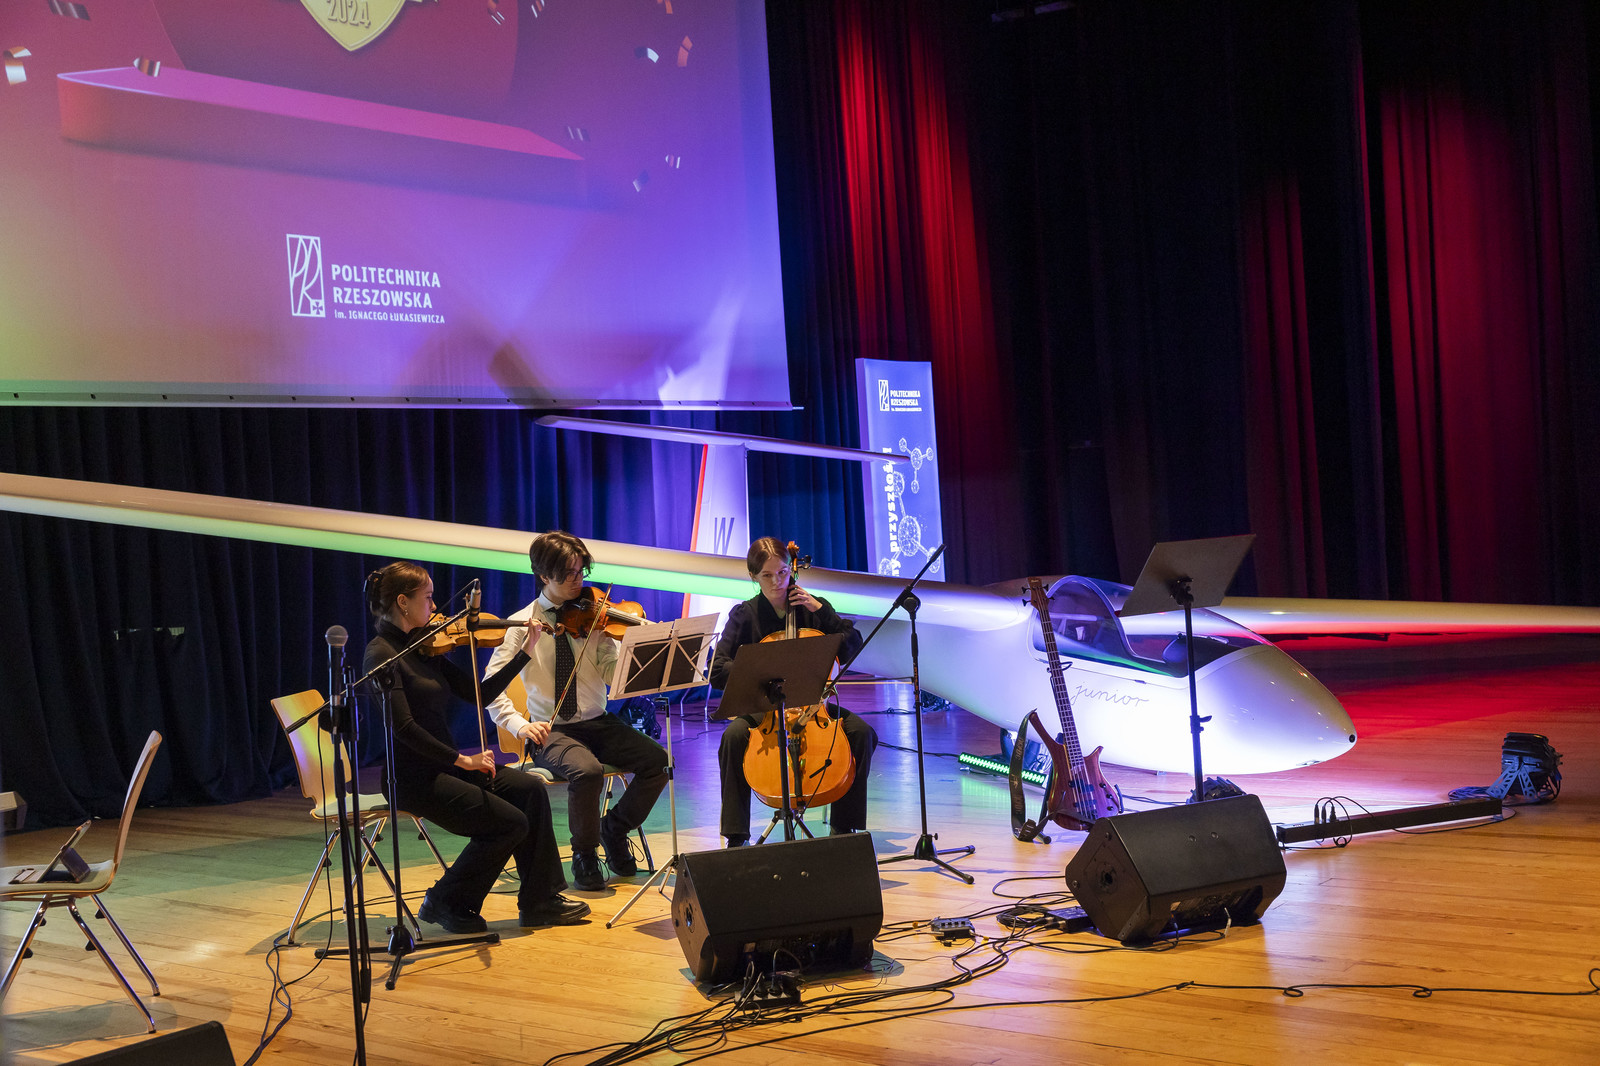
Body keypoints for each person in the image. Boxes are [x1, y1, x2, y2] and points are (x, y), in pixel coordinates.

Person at [362, 561, 589, 933]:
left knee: (530, 790)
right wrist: (462, 760)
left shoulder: (423, 648)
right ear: (403, 602)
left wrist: (525, 652)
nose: (435, 607)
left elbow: (479, 694)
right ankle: (447, 899)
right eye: (428, 598)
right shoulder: (382, 655)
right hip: (412, 778)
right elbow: (402, 728)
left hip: (447, 767)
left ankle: (540, 901)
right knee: (509, 823)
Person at [484, 532, 669, 890]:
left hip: (599, 723)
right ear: (544, 575)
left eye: (581, 572)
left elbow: (612, 676)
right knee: (587, 772)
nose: (578, 581)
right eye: (568, 573)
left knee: (659, 762)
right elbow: (490, 688)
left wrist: (634, 650)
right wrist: (519, 726)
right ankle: (584, 853)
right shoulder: (521, 624)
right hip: (551, 729)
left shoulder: (595, 617)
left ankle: (614, 829)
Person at [709, 537, 878, 847]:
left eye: (783, 573)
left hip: (813, 707)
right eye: (767, 575)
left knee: (862, 733)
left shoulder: (813, 607)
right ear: (753, 576)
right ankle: (736, 837)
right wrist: (757, 664)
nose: (777, 582)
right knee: (732, 737)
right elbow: (717, 670)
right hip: (764, 710)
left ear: (792, 570)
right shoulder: (744, 615)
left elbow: (851, 645)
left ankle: (844, 831)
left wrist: (821, 610)